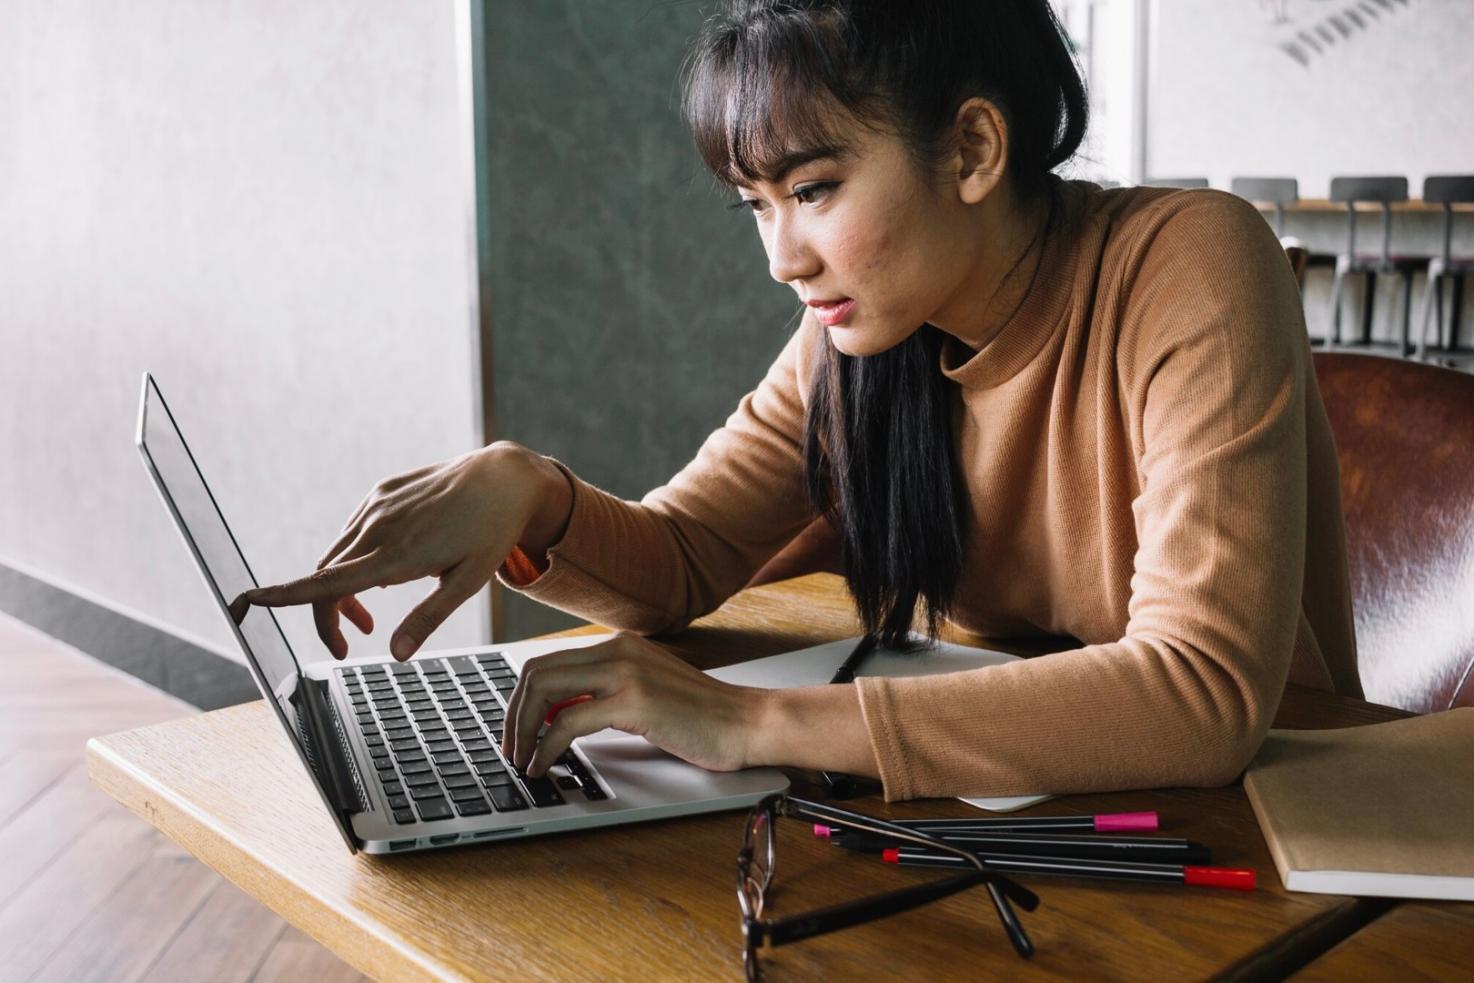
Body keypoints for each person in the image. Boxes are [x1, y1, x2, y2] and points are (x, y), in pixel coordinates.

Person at [246, 0, 1362, 802]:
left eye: (814, 189)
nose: (783, 255)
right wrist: (525, 493)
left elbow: (1201, 693)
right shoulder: (861, 334)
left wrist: (747, 720)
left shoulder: (1190, 263)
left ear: (973, 147)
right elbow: (684, 556)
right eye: (755, 205)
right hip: (997, 809)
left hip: (1253, 822)